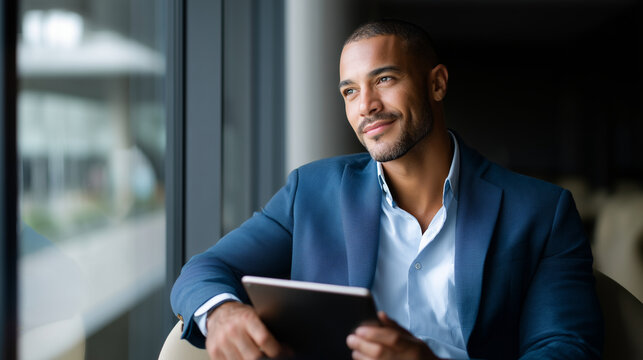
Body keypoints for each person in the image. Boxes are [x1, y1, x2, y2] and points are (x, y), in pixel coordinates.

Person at [171, 19, 603, 359]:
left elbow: (567, 348)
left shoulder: (542, 212)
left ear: (436, 83)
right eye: (349, 90)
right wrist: (223, 313)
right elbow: (202, 271)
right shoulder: (311, 192)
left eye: (385, 79)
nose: (366, 106)